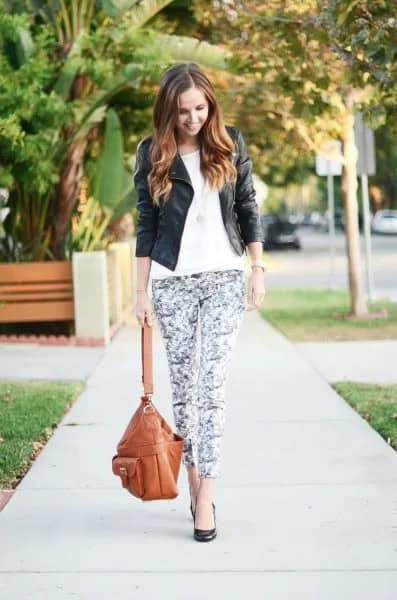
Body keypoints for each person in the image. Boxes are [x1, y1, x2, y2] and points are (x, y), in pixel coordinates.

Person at [134, 63, 266, 542]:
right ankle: (192, 485)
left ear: (210, 105)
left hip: (224, 280)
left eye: (200, 108)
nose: (192, 118)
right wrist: (140, 292)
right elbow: (146, 226)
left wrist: (257, 270)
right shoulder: (152, 153)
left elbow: (248, 207)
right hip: (172, 284)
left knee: (211, 387)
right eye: (183, 110)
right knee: (186, 392)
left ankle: (207, 495)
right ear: (168, 109)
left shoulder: (229, 143)